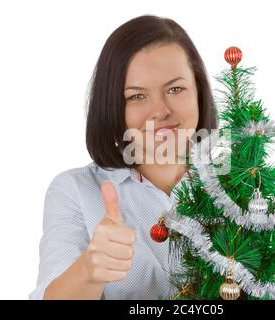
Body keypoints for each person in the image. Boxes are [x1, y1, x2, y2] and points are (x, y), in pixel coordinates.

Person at [29, 14, 218, 300]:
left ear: (199, 93)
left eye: (176, 89)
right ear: (114, 107)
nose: (160, 111)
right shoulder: (75, 192)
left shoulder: (239, 191)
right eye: (137, 96)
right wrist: (89, 271)